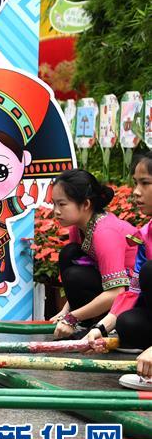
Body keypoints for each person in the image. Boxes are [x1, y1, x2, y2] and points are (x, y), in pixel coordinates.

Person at [84, 152, 152, 390]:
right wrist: (99, 329)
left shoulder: (106, 231)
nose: (136, 192)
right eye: (136, 183)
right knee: (128, 323)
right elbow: (133, 292)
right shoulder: (145, 235)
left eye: (145, 183)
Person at [49, 169, 139, 340]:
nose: (56, 211)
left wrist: (72, 318)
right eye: (54, 204)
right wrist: (64, 313)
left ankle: (98, 326)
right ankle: (84, 324)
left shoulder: (105, 232)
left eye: (62, 204)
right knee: (69, 254)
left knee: (74, 273)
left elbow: (116, 292)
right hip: (111, 288)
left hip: (134, 295)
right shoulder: (78, 227)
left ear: (85, 204)